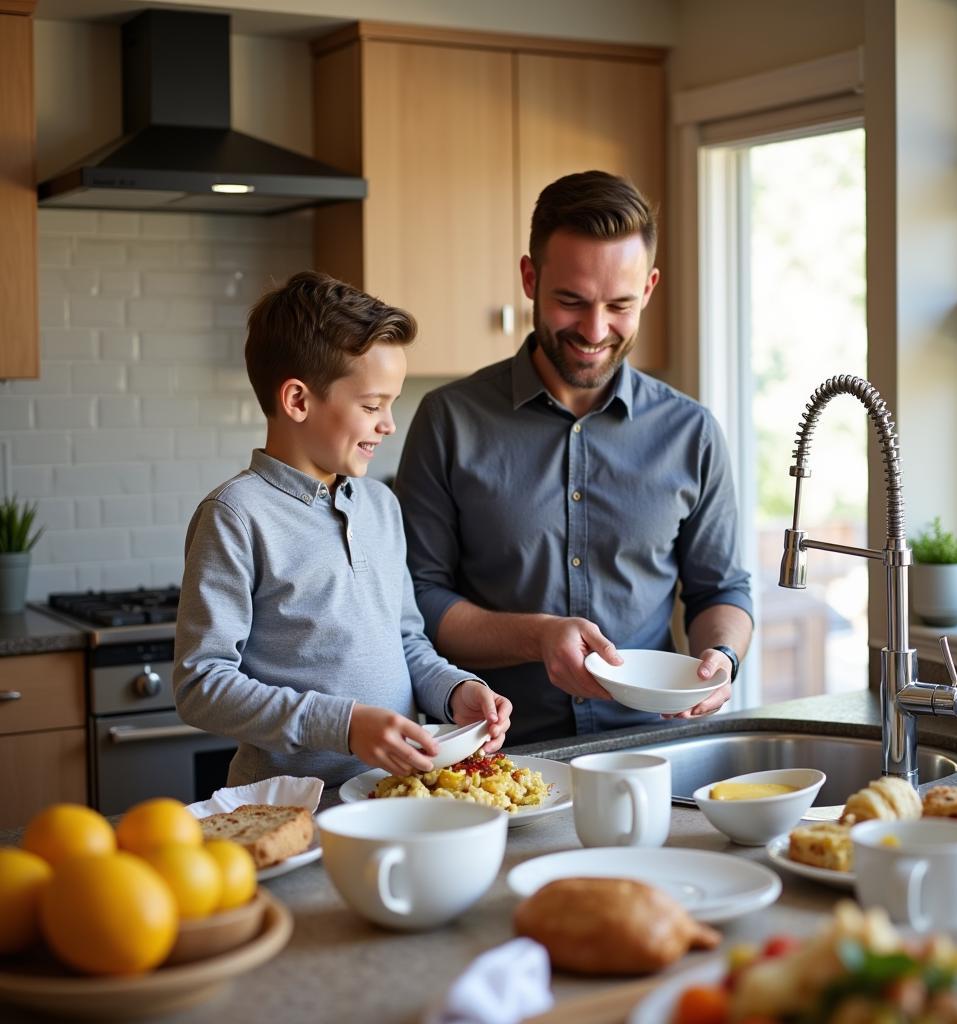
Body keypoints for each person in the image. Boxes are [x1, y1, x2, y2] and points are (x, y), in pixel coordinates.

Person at [394, 170, 753, 746]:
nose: (594, 330)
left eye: (620, 305)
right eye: (571, 301)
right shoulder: (448, 421)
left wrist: (722, 657)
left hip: (652, 750)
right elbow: (419, 600)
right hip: (499, 755)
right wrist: (536, 636)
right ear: (530, 278)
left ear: (651, 288)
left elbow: (722, 592)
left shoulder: (693, 432)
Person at [174, 270, 512, 788]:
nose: (389, 424)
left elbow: (407, 642)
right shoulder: (235, 515)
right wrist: (344, 726)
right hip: (289, 808)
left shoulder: (380, 504)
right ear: (298, 401)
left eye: (391, 405)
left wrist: (453, 690)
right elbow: (202, 685)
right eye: (373, 405)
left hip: (395, 795)